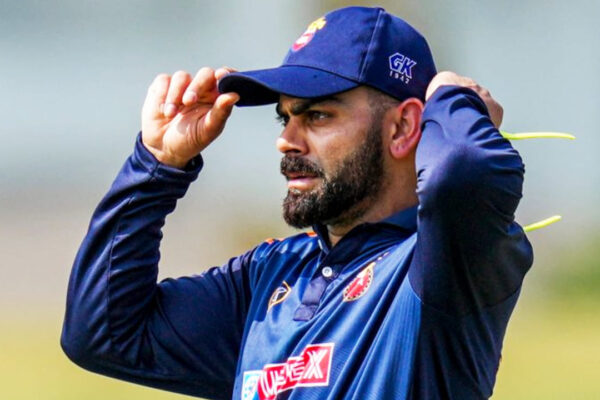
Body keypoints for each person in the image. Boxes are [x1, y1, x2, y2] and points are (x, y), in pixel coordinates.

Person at [61, 6, 533, 400]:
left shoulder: (446, 264)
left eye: (317, 115)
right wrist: (156, 165)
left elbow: (461, 172)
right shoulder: (270, 275)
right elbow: (103, 334)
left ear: (403, 128)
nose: (286, 140)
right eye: (284, 117)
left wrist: (452, 98)